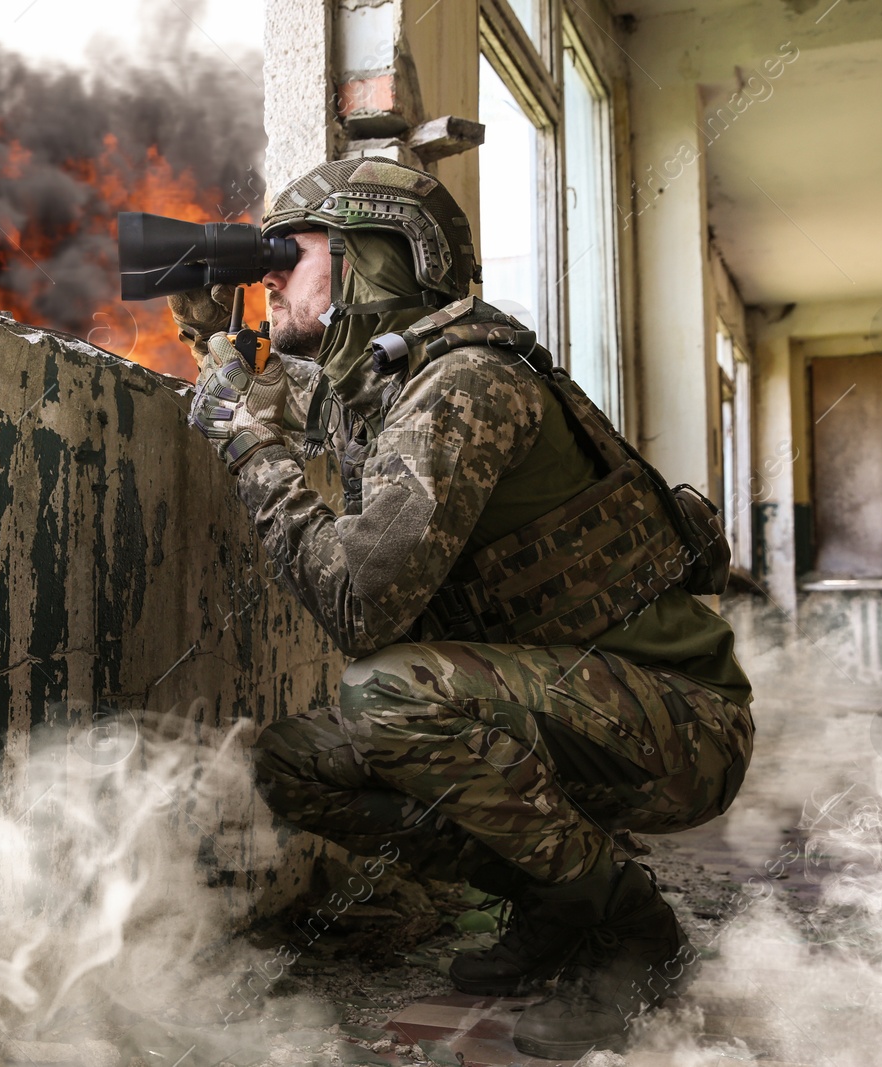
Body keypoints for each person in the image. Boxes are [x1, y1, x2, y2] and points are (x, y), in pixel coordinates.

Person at [174, 157, 754, 1059]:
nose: (269, 271)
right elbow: (279, 394)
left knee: (388, 693)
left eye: (289, 251)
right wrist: (218, 339)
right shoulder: (387, 388)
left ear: (377, 257)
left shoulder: (466, 384)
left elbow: (358, 608)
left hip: (681, 720)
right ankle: (557, 899)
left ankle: (635, 931)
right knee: (296, 762)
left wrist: (244, 443)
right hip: (576, 706)